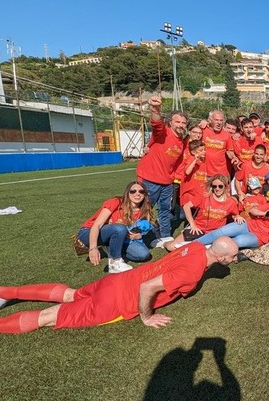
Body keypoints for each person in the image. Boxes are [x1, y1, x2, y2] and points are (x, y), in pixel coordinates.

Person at [0, 237, 239, 334]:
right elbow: (148, 288)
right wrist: (147, 317)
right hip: (117, 302)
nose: (234, 260)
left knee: (70, 294)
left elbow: (174, 249)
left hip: (116, 281)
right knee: (49, 316)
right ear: (222, 258)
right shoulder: (193, 272)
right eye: (233, 256)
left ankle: (5, 292)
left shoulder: (196, 247)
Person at [135, 96, 187, 245]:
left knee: (164, 210)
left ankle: (164, 235)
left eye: (183, 123)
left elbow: (176, 163)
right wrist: (155, 109)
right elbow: (156, 123)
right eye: (177, 121)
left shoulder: (180, 142)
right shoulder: (163, 132)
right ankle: (136, 237)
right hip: (149, 179)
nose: (181, 125)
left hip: (167, 182)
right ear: (170, 122)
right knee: (142, 209)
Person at [76, 181, 154, 273]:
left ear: (145, 194)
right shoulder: (116, 202)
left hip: (117, 235)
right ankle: (114, 262)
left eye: (141, 191)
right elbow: (96, 225)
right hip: (89, 232)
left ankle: (110, 247)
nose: (137, 194)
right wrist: (93, 248)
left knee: (144, 254)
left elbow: (143, 227)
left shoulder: (143, 209)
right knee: (119, 228)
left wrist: (139, 235)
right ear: (127, 193)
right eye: (133, 191)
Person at [165, 175, 239, 251]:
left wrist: (237, 216)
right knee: (171, 247)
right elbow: (186, 206)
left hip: (214, 234)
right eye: (214, 186)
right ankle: (165, 243)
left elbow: (234, 214)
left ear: (225, 187)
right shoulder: (204, 197)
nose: (217, 189)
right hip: (197, 229)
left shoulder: (231, 202)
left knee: (199, 252)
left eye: (220, 186)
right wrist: (192, 224)